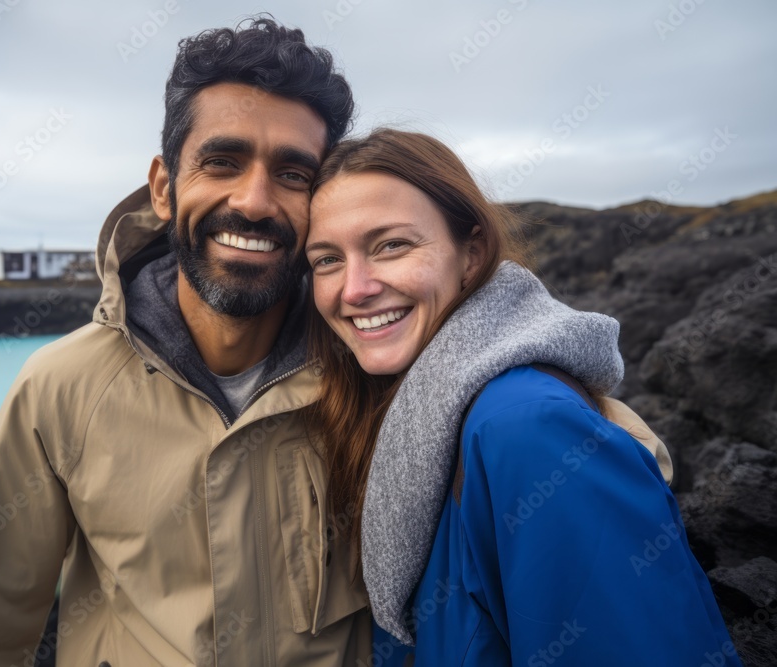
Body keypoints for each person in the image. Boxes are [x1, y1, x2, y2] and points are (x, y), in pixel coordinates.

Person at [0, 17, 373, 666]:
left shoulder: (374, 376)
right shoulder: (59, 388)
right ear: (163, 188)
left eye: (294, 174)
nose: (253, 200)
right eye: (221, 161)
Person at [305, 128, 741, 666]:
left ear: (472, 254)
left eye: (392, 245)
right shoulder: (402, 409)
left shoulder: (529, 431)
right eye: (326, 259)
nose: (354, 288)